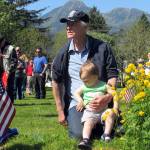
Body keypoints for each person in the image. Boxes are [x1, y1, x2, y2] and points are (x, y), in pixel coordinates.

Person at [52, 10, 118, 138]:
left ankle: (107, 123)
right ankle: (103, 125)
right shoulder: (62, 53)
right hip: (78, 103)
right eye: (67, 23)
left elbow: (112, 75)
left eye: (73, 23)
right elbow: (56, 82)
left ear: (85, 27)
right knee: (78, 135)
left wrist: (107, 97)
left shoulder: (103, 48)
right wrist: (60, 111)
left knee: (111, 129)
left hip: (102, 100)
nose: (68, 27)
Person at [74, 61, 118, 149]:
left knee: (110, 113)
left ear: (95, 76)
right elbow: (76, 93)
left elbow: (115, 94)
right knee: (88, 123)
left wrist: (115, 107)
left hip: (103, 111)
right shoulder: (84, 87)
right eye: (83, 80)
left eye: (86, 80)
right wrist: (80, 101)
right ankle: (86, 139)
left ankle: (106, 134)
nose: (84, 82)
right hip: (90, 112)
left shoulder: (103, 85)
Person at [0, 36, 17, 103]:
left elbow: (14, 62)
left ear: (4, 40)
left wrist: (9, 72)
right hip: (1, 72)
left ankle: (10, 104)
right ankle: (2, 103)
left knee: (9, 88)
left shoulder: (10, 48)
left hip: (9, 72)